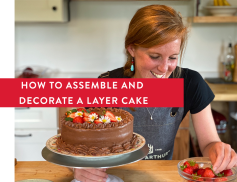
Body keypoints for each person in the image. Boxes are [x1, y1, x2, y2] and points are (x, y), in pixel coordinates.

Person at [72, 4, 237, 182]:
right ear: (132, 49)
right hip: (111, 177)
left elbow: (208, 143)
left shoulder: (190, 84)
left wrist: (218, 149)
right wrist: (78, 168)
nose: (164, 68)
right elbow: (80, 147)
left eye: (173, 57)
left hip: (159, 177)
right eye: (155, 56)